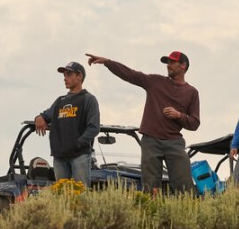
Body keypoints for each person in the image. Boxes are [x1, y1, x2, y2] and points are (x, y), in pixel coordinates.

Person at [85, 51, 199, 193]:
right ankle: (151, 212)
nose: (168, 65)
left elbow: (194, 123)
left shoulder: (192, 92)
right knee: (150, 186)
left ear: (183, 65)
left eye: (172, 62)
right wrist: (107, 62)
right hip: (150, 141)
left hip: (174, 142)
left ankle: (185, 213)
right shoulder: (156, 82)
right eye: (167, 62)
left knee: (184, 186)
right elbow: (130, 74)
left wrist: (179, 115)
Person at [34, 61, 100, 187]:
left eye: (69, 74)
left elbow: (94, 128)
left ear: (79, 76)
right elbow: (46, 115)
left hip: (79, 156)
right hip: (59, 157)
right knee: (61, 196)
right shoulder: (60, 101)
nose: (65, 78)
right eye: (64, 75)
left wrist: (77, 144)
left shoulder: (89, 99)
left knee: (80, 195)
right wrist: (39, 117)